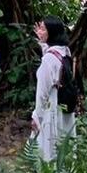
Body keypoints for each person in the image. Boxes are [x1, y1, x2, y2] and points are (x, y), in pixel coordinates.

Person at [31, 16, 76, 164]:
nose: (40, 31)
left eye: (44, 29)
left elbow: (42, 93)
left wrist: (37, 117)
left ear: (52, 32)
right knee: (65, 143)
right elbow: (51, 57)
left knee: (49, 147)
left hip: (52, 107)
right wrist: (42, 42)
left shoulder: (48, 60)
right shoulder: (65, 51)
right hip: (66, 107)